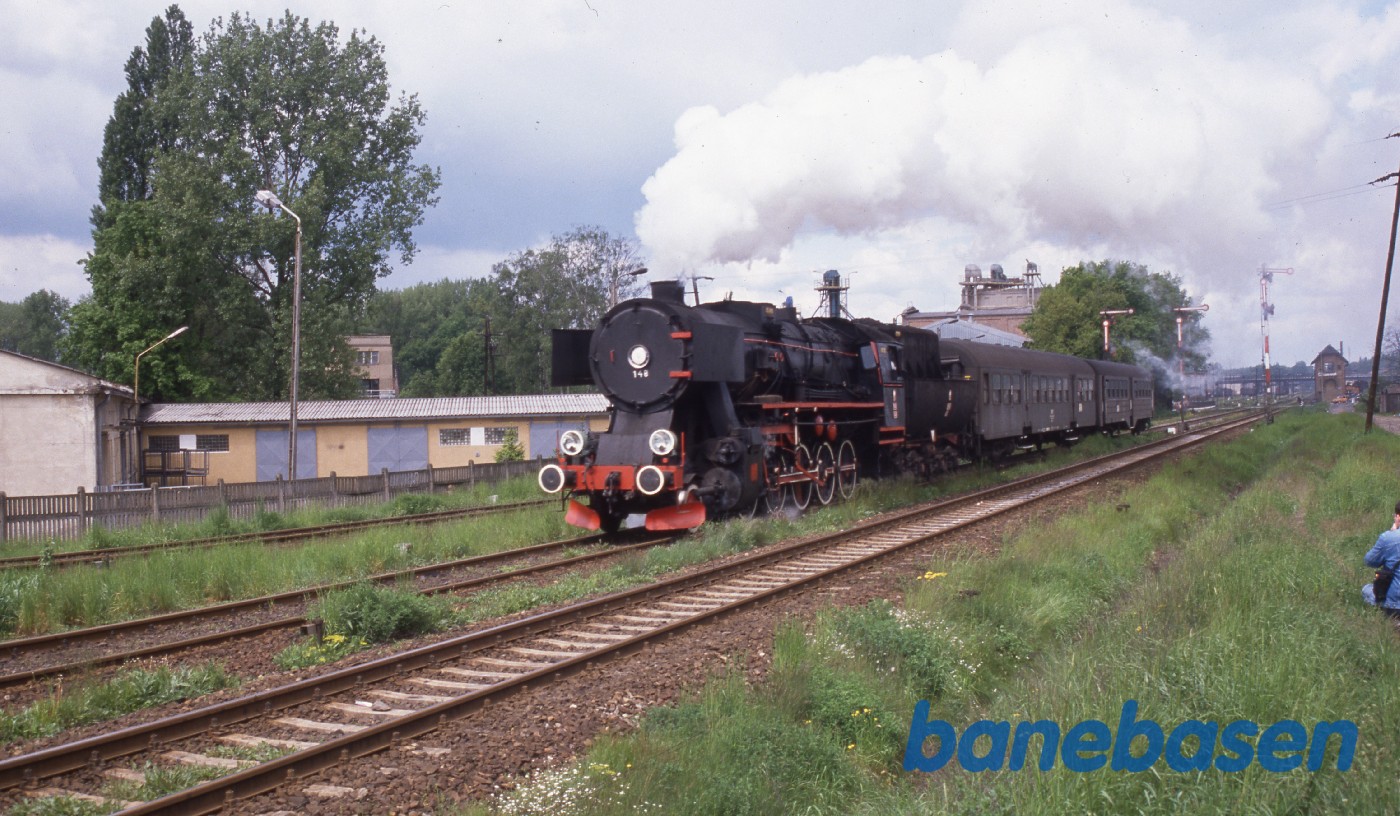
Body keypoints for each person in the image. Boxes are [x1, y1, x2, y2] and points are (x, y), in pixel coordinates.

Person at [1362, 500, 1400, 616]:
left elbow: (1369, 561)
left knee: (1366, 589)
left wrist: (1392, 532)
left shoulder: (1388, 538)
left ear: (1398, 517)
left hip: (1395, 604)